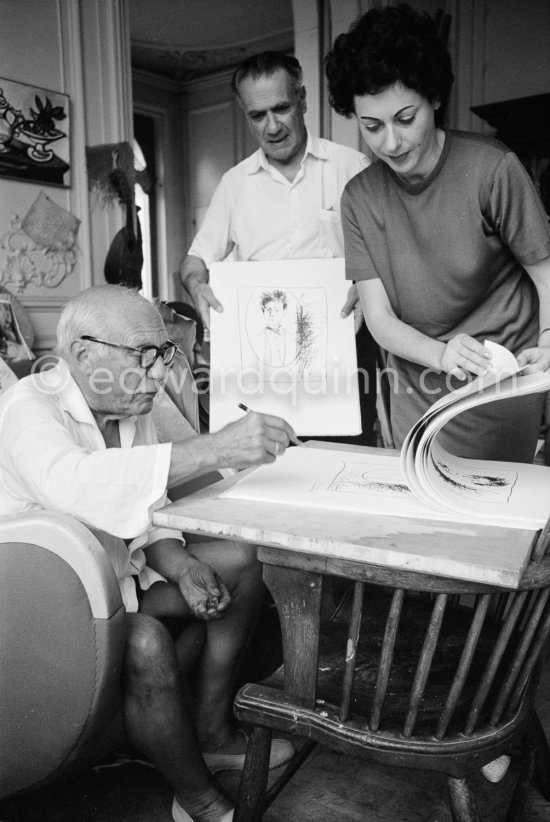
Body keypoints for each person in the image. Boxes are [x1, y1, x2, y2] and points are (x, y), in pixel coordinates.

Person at [0, 285, 299, 822]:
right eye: (143, 355)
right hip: (44, 614)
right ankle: (199, 798)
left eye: (164, 354)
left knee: (242, 560)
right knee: (145, 643)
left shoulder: (129, 409)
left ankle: (210, 727)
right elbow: (79, 485)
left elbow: (145, 516)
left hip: (115, 586)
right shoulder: (28, 409)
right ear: (83, 354)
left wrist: (184, 568)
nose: (160, 374)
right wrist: (218, 446)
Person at [325, 4, 550, 463]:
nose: (390, 142)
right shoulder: (358, 199)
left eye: (405, 119)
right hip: (418, 384)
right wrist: (442, 355)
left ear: (434, 99)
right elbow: (380, 319)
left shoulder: (493, 170)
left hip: (497, 385)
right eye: (372, 126)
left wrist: (548, 343)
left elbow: (546, 275)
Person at [179, 51, 378, 445]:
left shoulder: (353, 167)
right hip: (262, 362)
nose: (271, 126)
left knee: (348, 466)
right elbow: (194, 262)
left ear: (302, 100)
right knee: (270, 473)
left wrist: (369, 286)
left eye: (281, 108)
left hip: (346, 353)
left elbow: (389, 254)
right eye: (257, 115)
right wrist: (197, 287)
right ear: (244, 113)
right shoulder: (234, 185)